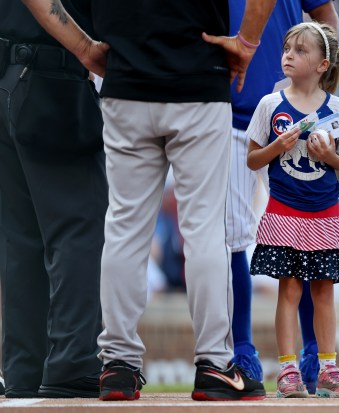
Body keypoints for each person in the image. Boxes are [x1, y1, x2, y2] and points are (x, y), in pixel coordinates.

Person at [20, 0, 276, 402]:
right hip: (199, 80)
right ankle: (214, 364)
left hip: (126, 81)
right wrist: (247, 42)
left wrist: (84, 48)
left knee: (124, 229)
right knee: (205, 229)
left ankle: (118, 365)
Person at [226, 0, 339, 393]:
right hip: (229, 114)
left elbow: (325, 14)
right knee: (232, 237)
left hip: (291, 114)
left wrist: (321, 83)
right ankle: (242, 349)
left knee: (305, 236)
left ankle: (314, 351)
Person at [0, 0, 107, 398]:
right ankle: (73, 362)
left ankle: (25, 369)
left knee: (21, 239)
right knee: (80, 224)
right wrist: (85, 48)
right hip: (52, 74)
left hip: (10, 76)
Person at [246, 22, 339, 398]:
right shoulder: (270, 104)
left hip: (324, 212)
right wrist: (278, 146)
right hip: (284, 210)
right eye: (287, 49)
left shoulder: (336, 106)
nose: (288, 56)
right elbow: (252, 159)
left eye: (299, 50)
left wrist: (328, 155)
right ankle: (287, 369)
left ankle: (328, 366)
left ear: (323, 65)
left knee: (324, 291)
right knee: (289, 289)